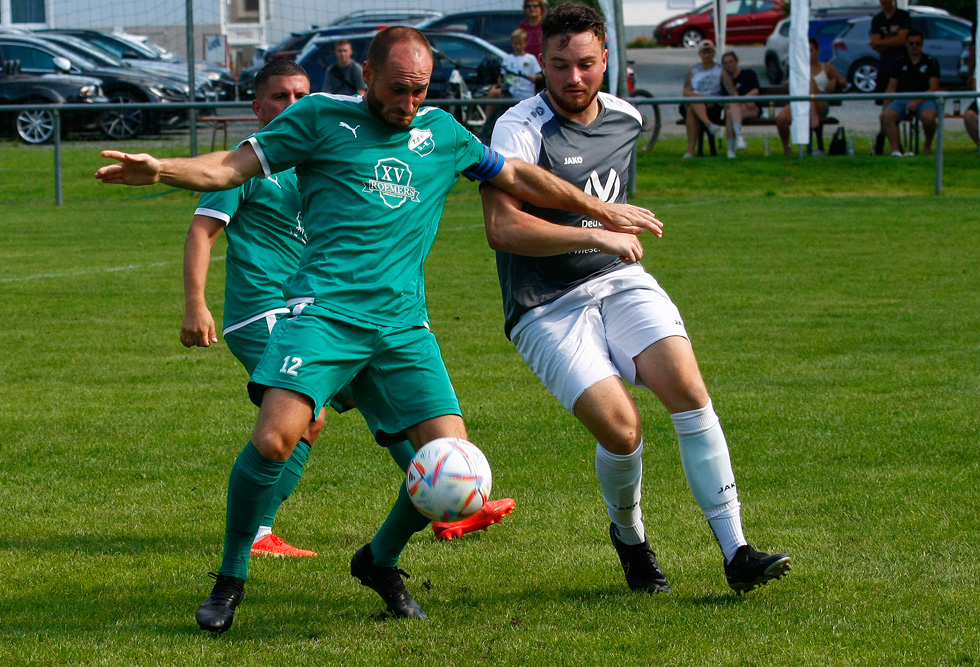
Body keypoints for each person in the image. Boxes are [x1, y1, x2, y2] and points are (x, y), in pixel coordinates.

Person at [96, 26, 662, 631]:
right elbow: (229, 169)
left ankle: (378, 560)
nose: (410, 103)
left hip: (402, 328)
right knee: (274, 440)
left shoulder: (443, 133)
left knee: (455, 467)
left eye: (421, 90)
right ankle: (231, 577)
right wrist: (162, 170)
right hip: (323, 314)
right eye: (398, 90)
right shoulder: (317, 118)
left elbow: (518, 177)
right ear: (366, 77)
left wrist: (601, 211)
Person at [482, 3, 792, 597]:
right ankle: (629, 536)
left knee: (689, 391)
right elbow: (504, 230)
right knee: (623, 432)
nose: (573, 79)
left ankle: (737, 552)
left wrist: (607, 242)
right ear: (540, 63)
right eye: (559, 66)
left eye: (586, 65)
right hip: (545, 303)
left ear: (607, 60)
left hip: (619, 282)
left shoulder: (626, 118)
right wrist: (598, 230)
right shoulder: (518, 128)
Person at [183, 59, 514, 561]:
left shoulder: (313, 158)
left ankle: (444, 495)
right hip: (264, 313)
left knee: (369, 401)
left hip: (329, 313)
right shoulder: (251, 168)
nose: (290, 105)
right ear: (256, 107)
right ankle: (258, 534)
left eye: (299, 95)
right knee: (304, 421)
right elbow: (202, 230)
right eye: (278, 97)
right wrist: (196, 305)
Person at [775, 37, 846, 156]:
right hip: (800, 101)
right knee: (781, 118)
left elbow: (844, 82)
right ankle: (787, 147)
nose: (808, 54)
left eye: (810, 50)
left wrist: (835, 81)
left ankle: (813, 115)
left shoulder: (826, 67)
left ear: (817, 50)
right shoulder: (798, 69)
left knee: (809, 81)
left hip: (820, 102)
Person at [880, 29, 940, 156]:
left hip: (924, 98)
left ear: (922, 44)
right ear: (906, 44)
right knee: (887, 116)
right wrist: (885, 107)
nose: (914, 46)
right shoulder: (898, 62)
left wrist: (918, 102)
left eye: (917, 43)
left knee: (928, 118)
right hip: (902, 98)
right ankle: (896, 150)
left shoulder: (931, 62)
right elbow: (891, 87)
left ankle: (927, 145)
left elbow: (934, 87)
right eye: (911, 43)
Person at [480, 28, 545, 143]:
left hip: (526, 95)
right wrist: (500, 84)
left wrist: (533, 77)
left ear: (525, 43)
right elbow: (502, 75)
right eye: (515, 44)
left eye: (520, 44)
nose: (518, 46)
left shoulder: (530, 59)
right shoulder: (508, 59)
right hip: (510, 95)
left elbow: (540, 75)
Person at [682, 39, 724, 159]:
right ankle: (709, 125)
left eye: (709, 52)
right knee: (692, 107)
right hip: (697, 102)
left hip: (713, 106)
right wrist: (704, 97)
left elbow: (728, 88)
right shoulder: (693, 70)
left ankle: (691, 151)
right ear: (700, 54)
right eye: (704, 52)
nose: (707, 55)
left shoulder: (720, 70)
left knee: (691, 110)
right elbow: (686, 91)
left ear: (713, 53)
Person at [720, 50, 760, 159]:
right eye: (726, 63)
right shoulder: (726, 81)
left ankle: (731, 148)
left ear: (736, 61)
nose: (729, 65)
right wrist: (743, 101)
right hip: (736, 109)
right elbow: (726, 101)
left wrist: (743, 100)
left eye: (731, 62)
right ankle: (739, 137)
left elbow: (755, 91)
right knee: (729, 112)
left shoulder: (748, 74)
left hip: (751, 109)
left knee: (731, 110)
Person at [869, 0, 910, 99]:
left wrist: (881, 42)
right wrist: (893, 42)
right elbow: (875, 43)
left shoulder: (903, 16)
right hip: (885, 62)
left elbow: (902, 40)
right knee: (884, 96)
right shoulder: (878, 19)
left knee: (903, 94)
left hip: (902, 59)